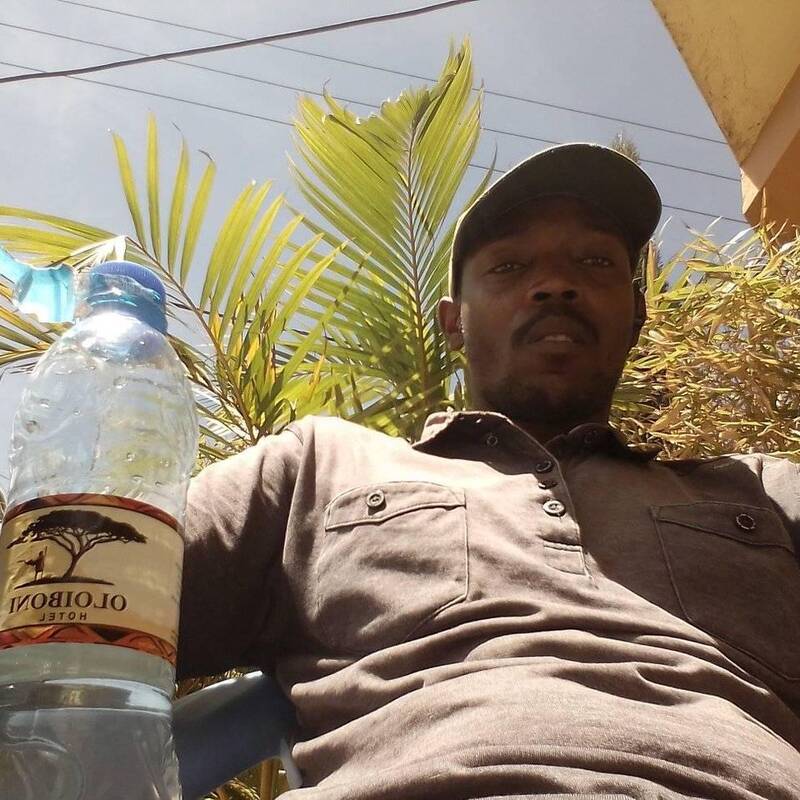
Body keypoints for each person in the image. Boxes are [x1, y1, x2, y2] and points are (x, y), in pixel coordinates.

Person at [176, 143, 800, 800]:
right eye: (508, 267)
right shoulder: (317, 464)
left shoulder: (761, 489)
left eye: (594, 262)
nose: (555, 285)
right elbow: (108, 577)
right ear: (454, 323)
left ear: (637, 313)